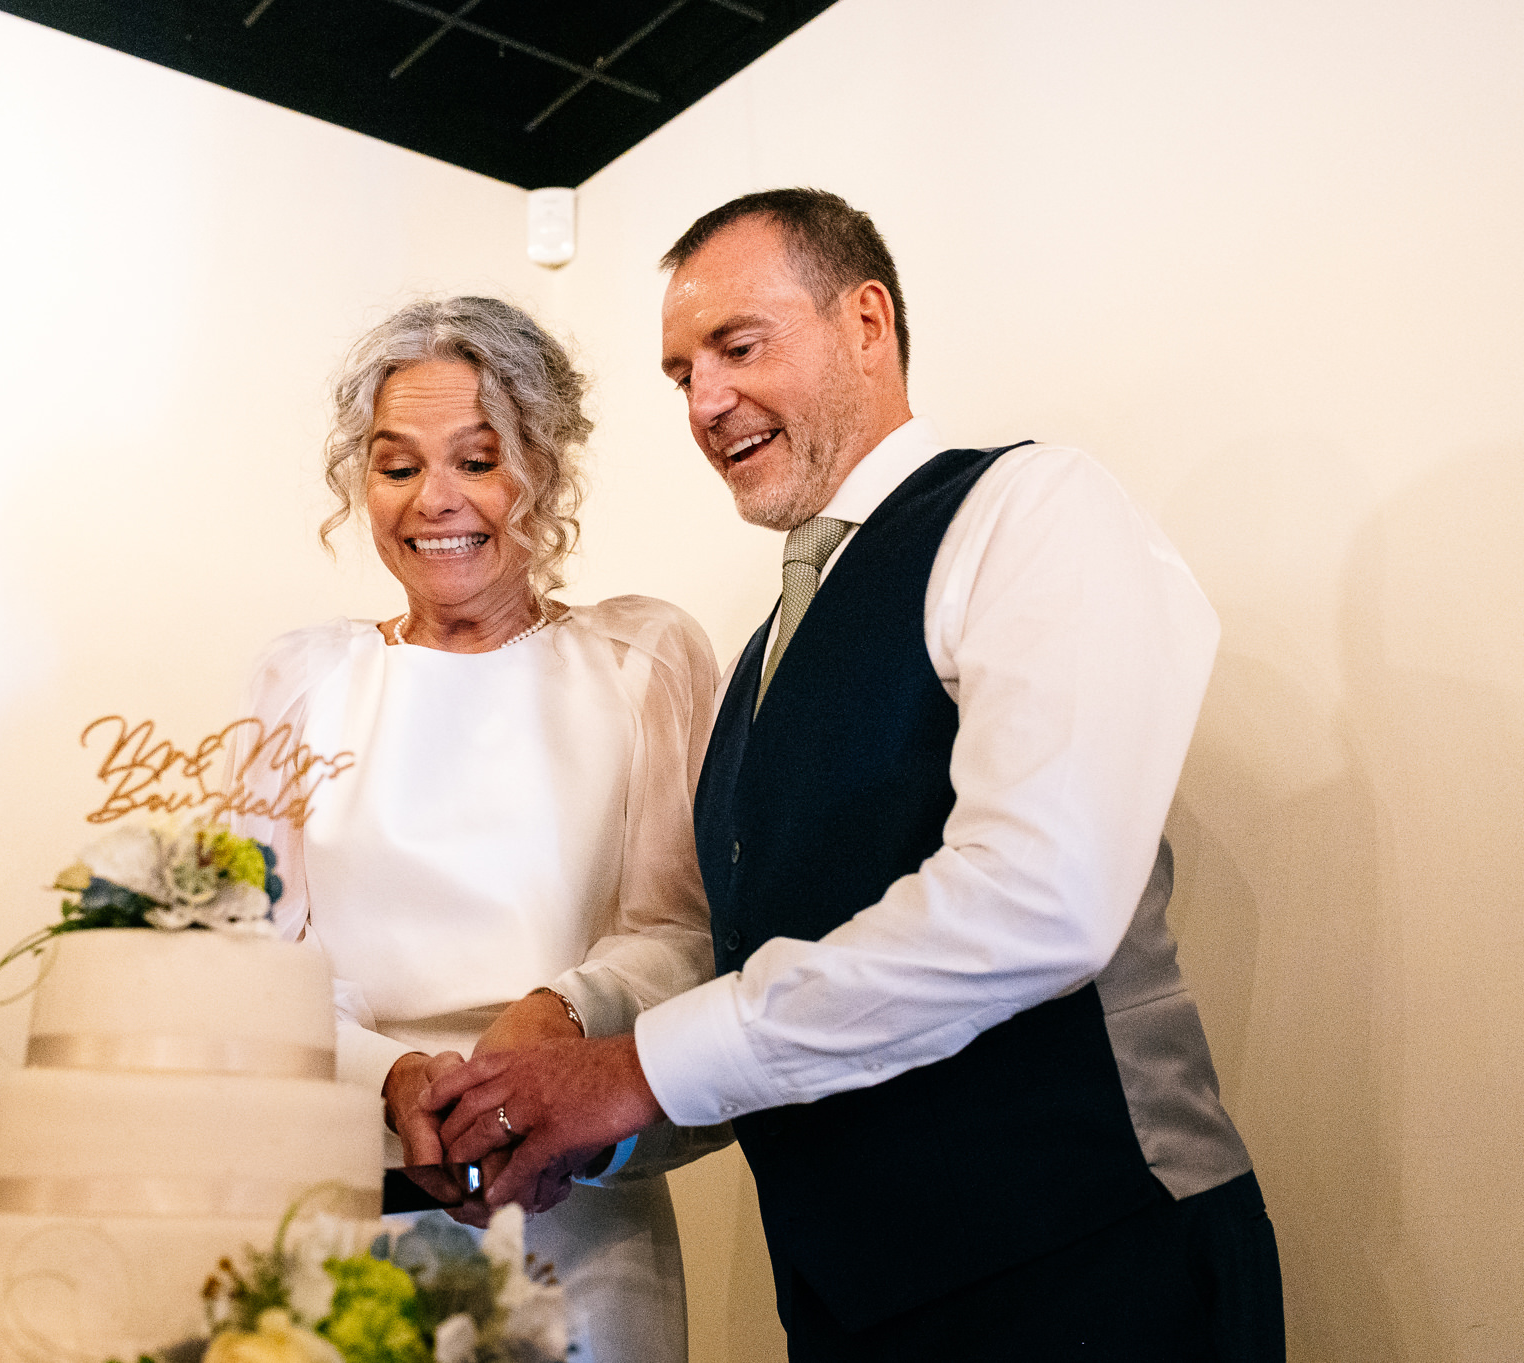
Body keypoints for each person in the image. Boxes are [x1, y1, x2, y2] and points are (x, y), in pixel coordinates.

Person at [426, 190, 1285, 1361]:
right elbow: (766, 1006)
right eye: (680, 373)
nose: (706, 401)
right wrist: (586, 1122)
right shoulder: (755, 667)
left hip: (1087, 1271)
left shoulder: (1028, 509)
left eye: (738, 345)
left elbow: (1039, 897)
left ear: (866, 321)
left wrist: (629, 1068)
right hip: (846, 1315)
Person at [243, 296, 724, 1363]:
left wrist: (557, 1015)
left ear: (543, 470)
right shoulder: (299, 679)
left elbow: (688, 927)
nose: (434, 502)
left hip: (578, 1198)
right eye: (397, 464)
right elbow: (254, 961)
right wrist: (392, 1076)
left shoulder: (642, 657)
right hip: (347, 1185)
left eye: (477, 457)